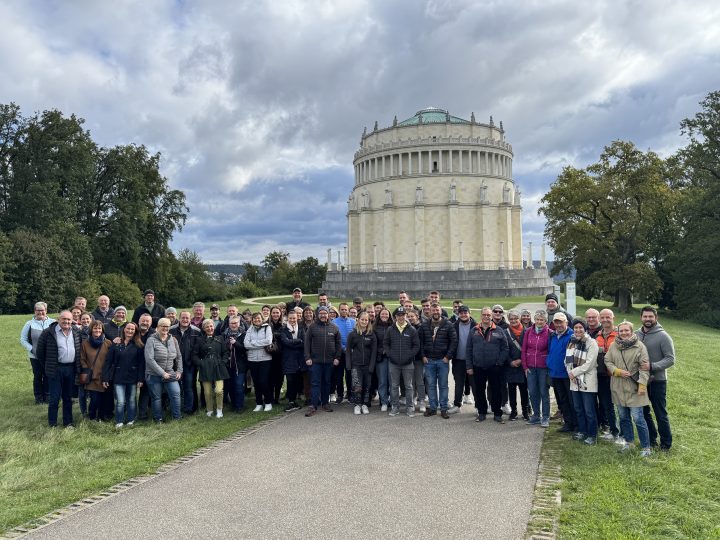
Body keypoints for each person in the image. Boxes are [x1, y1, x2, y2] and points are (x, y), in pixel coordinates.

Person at [605, 321, 652, 456]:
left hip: (634, 388)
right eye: (621, 331)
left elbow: (644, 367)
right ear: (618, 332)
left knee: (638, 418)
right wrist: (616, 371)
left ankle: (646, 448)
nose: (624, 333)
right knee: (623, 417)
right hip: (618, 387)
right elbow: (607, 361)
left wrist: (642, 386)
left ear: (632, 331)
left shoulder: (640, 346)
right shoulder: (614, 346)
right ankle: (629, 443)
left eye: (627, 330)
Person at [637, 306, 675, 451]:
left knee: (660, 413)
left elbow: (670, 359)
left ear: (656, 318)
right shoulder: (636, 335)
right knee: (644, 412)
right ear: (641, 318)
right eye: (645, 316)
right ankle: (651, 440)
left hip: (658, 381)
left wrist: (652, 366)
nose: (648, 319)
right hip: (641, 381)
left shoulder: (663, 336)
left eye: (650, 317)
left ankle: (666, 444)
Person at [36, 310, 81, 428]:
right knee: (54, 398)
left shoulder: (76, 331)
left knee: (67, 398)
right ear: (58, 319)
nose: (66, 321)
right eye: (64, 319)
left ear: (72, 321)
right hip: (55, 369)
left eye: (69, 319)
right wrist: (48, 365)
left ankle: (68, 423)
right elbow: (40, 353)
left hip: (71, 369)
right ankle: (52, 424)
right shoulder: (48, 333)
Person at [466, 307, 509, 423]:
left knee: (496, 390)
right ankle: (482, 412)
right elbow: (469, 349)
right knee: (479, 390)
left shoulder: (498, 330)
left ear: (491, 316)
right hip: (478, 366)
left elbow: (505, 348)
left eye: (488, 315)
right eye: (484, 314)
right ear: (481, 316)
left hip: (494, 366)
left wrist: (499, 362)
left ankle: (497, 413)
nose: (486, 317)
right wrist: (469, 366)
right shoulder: (474, 331)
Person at [102, 322, 145, 428]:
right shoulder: (116, 343)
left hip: (133, 377)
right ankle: (119, 421)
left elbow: (141, 364)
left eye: (132, 329)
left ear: (135, 332)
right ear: (124, 329)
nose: (130, 331)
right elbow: (108, 362)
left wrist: (140, 379)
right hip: (118, 377)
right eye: (128, 328)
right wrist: (105, 378)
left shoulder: (139, 345)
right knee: (120, 401)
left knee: (131, 400)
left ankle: (131, 420)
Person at [419, 303, 457, 419]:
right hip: (429, 360)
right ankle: (433, 408)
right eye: (433, 310)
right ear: (430, 312)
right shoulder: (424, 325)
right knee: (430, 385)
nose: (435, 312)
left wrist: (448, 357)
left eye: (437, 310)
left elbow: (454, 342)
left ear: (441, 311)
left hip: (442, 361)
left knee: (443, 385)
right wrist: (423, 356)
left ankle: (444, 408)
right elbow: (420, 342)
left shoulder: (448, 325)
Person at [566, 319, 599, 445]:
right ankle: (582, 431)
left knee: (589, 411)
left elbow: (589, 364)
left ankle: (592, 435)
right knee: (578, 409)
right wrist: (570, 372)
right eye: (576, 328)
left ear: (585, 329)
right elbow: (567, 360)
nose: (578, 330)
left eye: (580, 327)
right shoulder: (571, 341)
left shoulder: (591, 343)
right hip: (574, 381)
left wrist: (573, 373)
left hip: (587, 381)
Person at [304, 307, 342, 417]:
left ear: (328, 315)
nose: (323, 315)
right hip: (315, 362)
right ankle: (313, 405)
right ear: (317, 315)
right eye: (321, 313)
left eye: (325, 313)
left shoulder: (334, 328)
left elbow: (338, 345)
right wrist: (307, 357)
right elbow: (306, 344)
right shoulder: (312, 327)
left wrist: (337, 358)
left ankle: (325, 403)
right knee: (315, 383)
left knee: (327, 383)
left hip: (330, 362)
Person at [383, 307, 420, 417]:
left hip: (408, 363)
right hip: (394, 363)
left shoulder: (411, 329)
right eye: (399, 315)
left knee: (408, 386)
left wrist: (409, 356)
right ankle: (395, 407)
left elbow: (416, 345)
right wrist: (390, 355)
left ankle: (409, 407)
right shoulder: (390, 329)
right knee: (394, 386)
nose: (401, 317)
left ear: (405, 316)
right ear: (395, 317)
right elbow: (386, 344)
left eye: (403, 315)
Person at [144, 318, 182, 423]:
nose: (165, 328)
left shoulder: (173, 340)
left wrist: (179, 371)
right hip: (153, 374)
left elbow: (178, 357)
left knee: (175, 394)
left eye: (167, 326)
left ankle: (177, 417)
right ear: (158, 327)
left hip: (170, 372)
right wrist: (162, 373)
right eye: (163, 326)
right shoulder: (151, 340)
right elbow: (149, 359)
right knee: (157, 398)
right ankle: (158, 419)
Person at [547, 313, 577, 433]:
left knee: (572, 401)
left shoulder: (572, 335)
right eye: (556, 322)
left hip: (567, 374)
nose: (558, 325)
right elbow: (550, 351)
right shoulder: (553, 335)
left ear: (566, 322)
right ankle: (568, 423)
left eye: (561, 322)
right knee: (562, 401)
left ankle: (576, 425)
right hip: (555, 373)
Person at [193, 319, 229, 418]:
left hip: (218, 366)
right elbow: (194, 355)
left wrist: (223, 362)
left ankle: (219, 409)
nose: (210, 328)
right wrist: (200, 363)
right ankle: (209, 409)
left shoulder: (220, 338)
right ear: (204, 328)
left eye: (211, 326)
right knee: (207, 392)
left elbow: (225, 352)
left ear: (214, 327)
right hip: (205, 367)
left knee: (218, 390)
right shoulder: (200, 340)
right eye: (207, 327)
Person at [20, 301, 55, 404]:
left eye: (42, 310)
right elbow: (23, 339)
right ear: (35, 311)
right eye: (38, 310)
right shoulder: (29, 324)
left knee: (48, 375)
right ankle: (38, 398)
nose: (40, 312)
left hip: (49, 356)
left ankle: (48, 396)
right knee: (38, 376)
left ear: (46, 311)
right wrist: (32, 349)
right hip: (34, 356)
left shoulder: (53, 322)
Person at [522, 309, 551, 427]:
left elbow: (551, 351)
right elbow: (524, 349)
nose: (539, 322)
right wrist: (524, 366)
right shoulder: (529, 331)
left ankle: (545, 417)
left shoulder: (550, 333)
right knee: (533, 392)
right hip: (530, 368)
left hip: (543, 368)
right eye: (537, 319)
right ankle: (536, 415)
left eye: (542, 320)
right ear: (534, 320)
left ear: (545, 321)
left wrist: (548, 366)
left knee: (544, 392)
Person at [596, 308, 621, 443]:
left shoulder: (619, 334)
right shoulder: (598, 336)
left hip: (617, 375)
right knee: (607, 404)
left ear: (613, 318)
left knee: (621, 405)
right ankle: (613, 430)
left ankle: (624, 433)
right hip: (602, 376)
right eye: (603, 317)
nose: (605, 320)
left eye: (608, 317)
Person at [80, 320, 113, 422]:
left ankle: (103, 417)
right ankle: (92, 417)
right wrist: (88, 370)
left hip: (104, 377)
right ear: (91, 330)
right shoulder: (85, 343)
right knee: (94, 399)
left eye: (99, 328)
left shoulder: (108, 343)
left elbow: (111, 360)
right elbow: (82, 359)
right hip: (92, 377)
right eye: (95, 328)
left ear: (102, 330)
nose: (97, 330)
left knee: (104, 399)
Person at [346, 311, 377, 415]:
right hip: (356, 365)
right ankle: (357, 405)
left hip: (368, 365)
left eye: (366, 320)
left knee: (367, 385)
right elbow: (348, 350)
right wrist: (349, 365)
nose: (364, 321)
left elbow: (374, 352)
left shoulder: (372, 335)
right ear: (358, 320)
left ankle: (365, 404)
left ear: (368, 322)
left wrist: (372, 366)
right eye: (362, 319)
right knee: (357, 385)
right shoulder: (353, 334)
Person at [170, 311, 201, 414]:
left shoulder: (196, 331)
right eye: (183, 318)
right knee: (176, 388)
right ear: (179, 318)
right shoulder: (171, 330)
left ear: (190, 319)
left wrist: (194, 361)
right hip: (174, 365)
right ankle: (176, 409)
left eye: (187, 318)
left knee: (189, 387)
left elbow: (198, 349)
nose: (185, 320)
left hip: (189, 365)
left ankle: (189, 409)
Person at [244, 312, 275, 412]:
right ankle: (258, 403)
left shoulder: (267, 328)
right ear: (252, 320)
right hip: (252, 359)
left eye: (258, 318)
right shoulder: (250, 329)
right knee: (256, 382)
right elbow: (246, 344)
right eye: (254, 319)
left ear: (262, 319)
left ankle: (268, 402)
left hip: (265, 359)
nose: (256, 320)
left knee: (263, 381)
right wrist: (258, 344)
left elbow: (268, 341)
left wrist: (253, 343)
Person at [448, 305, 476, 414]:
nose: (463, 315)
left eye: (465, 312)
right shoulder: (453, 326)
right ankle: (457, 404)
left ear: (469, 313)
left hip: (472, 361)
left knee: (474, 384)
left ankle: (479, 406)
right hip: (458, 360)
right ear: (458, 314)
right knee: (459, 384)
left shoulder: (476, 326)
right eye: (461, 313)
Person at [505, 309, 530, 421]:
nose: (514, 320)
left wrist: (521, 360)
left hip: (523, 365)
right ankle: (513, 411)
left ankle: (525, 411)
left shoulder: (527, 331)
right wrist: (510, 361)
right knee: (511, 391)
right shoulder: (505, 332)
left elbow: (529, 349)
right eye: (511, 319)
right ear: (508, 320)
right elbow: (504, 349)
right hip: (510, 366)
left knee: (524, 391)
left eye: (515, 318)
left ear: (519, 319)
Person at [280, 311, 306, 412]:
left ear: (297, 318)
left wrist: (295, 343)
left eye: (294, 318)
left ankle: (294, 400)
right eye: (290, 318)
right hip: (288, 359)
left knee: (296, 381)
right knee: (290, 380)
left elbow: (304, 343)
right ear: (288, 319)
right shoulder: (283, 330)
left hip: (299, 359)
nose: (292, 320)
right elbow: (285, 342)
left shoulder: (301, 329)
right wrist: (298, 341)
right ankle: (291, 401)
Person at [332, 303, 356, 404]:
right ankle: (340, 395)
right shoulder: (334, 322)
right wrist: (343, 348)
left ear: (348, 311)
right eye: (342, 309)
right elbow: (334, 339)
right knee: (339, 375)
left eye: (346, 310)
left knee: (349, 375)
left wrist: (351, 348)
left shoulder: (353, 321)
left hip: (350, 353)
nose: (344, 311)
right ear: (339, 310)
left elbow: (356, 337)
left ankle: (350, 395)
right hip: (339, 353)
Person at [224, 315, 248, 413]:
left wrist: (235, 343)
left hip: (240, 364)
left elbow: (245, 349)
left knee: (238, 385)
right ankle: (234, 405)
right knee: (230, 386)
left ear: (239, 323)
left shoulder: (244, 334)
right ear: (229, 324)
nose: (234, 325)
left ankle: (239, 406)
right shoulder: (225, 334)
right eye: (232, 323)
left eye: (236, 323)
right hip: (228, 365)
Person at [373, 307, 393, 412]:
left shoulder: (393, 326)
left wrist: (389, 351)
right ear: (379, 315)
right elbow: (373, 344)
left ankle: (392, 400)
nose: (384, 316)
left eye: (386, 314)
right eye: (382, 314)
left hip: (392, 358)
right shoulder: (375, 327)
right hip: (380, 358)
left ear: (389, 316)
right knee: (382, 381)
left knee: (392, 381)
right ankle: (384, 401)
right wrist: (382, 350)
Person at [406, 309, 426, 412]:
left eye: (412, 316)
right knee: (411, 381)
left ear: (417, 317)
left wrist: (422, 356)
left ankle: (421, 400)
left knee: (419, 380)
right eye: (408, 316)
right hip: (409, 359)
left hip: (418, 359)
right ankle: (413, 398)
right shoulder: (407, 328)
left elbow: (422, 344)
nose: (410, 318)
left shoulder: (422, 327)